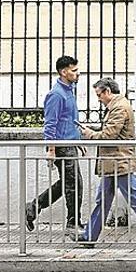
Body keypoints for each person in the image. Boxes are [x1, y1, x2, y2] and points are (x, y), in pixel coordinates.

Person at [73, 78, 136, 249]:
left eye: (99, 94)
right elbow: (110, 132)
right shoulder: (118, 106)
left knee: (134, 198)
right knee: (103, 199)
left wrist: (90, 134)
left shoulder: (118, 107)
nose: (99, 99)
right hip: (114, 162)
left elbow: (109, 135)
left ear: (107, 91)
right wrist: (94, 132)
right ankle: (89, 236)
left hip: (119, 161)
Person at [25, 55, 84, 232]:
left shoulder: (69, 90)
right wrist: (51, 150)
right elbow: (50, 124)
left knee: (68, 183)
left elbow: (70, 119)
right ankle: (73, 223)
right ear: (63, 72)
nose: (77, 73)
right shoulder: (56, 94)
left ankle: (33, 207)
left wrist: (78, 139)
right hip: (61, 147)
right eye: (74, 70)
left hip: (69, 143)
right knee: (73, 185)